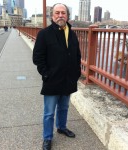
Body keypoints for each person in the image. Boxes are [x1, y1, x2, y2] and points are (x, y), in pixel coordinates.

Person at [33, 3, 81, 150]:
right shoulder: (44, 34)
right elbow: (37, 57)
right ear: (52, 15)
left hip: (68, 80)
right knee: (49, 113)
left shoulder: (72, 33)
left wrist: (76, 73)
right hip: (52, 80)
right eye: (57, 13)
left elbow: (77, 55)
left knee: (64, 108)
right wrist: (46, 74)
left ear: (67, 15)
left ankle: (61, 127)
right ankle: (47, 138)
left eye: (63, 13)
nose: (60, 15)